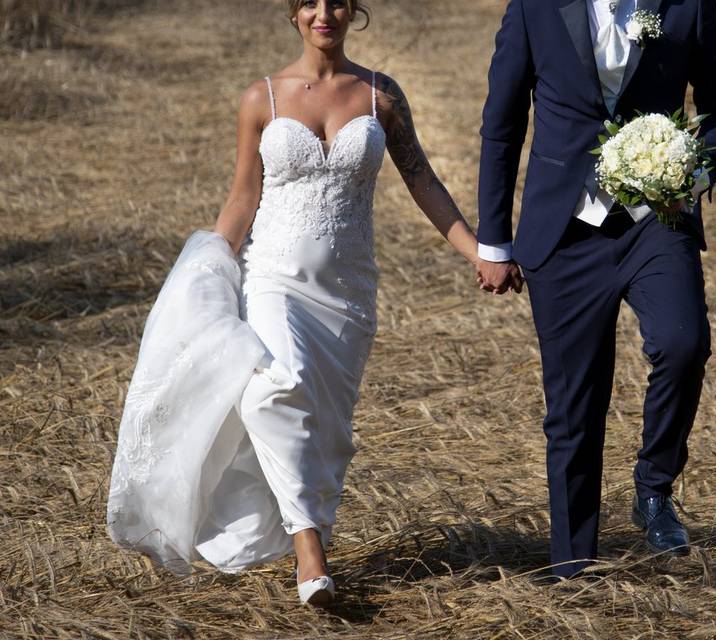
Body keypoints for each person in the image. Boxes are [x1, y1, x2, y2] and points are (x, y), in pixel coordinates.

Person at [107, 0, 484, 607]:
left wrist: (476, 252)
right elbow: (241, 197)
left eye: (336, 1)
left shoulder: (380, 97)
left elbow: (423, 180)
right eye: (310, 2)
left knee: (327, 432)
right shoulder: (264, 98)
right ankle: (311, 554)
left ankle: (308, 526)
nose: (324, 13)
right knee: (272, 387)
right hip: (274, 278)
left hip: (348, 293)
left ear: (353, 10)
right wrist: (209, 268)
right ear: (293, 13)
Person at [475, 0, 716, 578]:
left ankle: (654, 486)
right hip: (564, 232)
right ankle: (574, 567)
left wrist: (693, 175)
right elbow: (502, 122)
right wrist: (494, 241)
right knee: (574, 408)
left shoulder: (688, 4)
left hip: (656, 221)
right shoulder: (534, 7)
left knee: (683, 343)